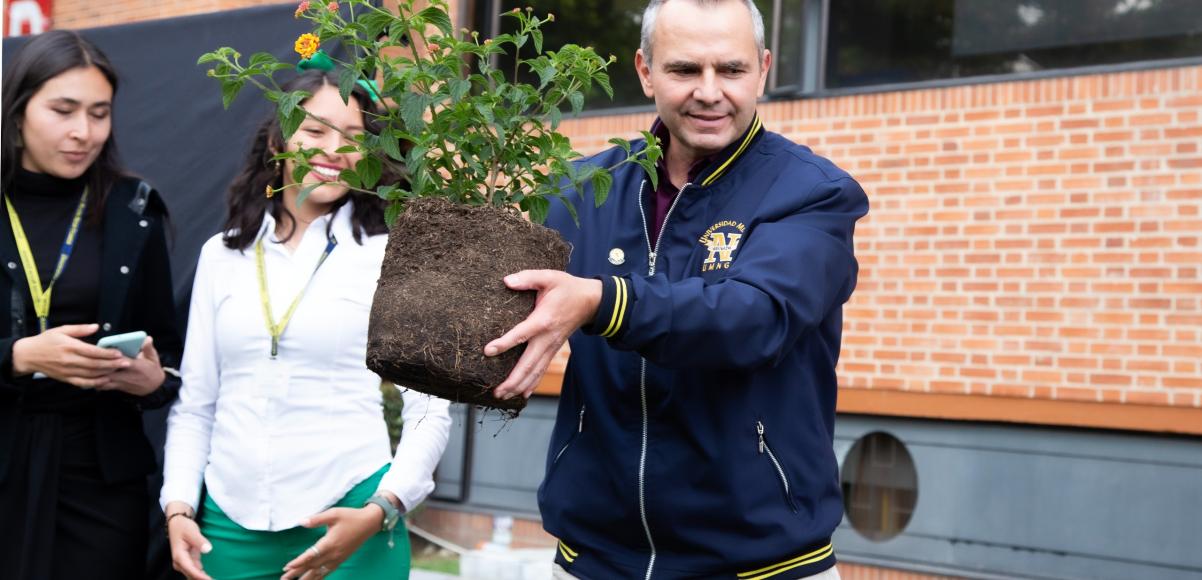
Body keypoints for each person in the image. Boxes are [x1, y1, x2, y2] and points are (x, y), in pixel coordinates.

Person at [485, 0, 870, 578]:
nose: (710, 92)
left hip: (760, 563)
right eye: (685, 69)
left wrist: (602, 300)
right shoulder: (582, 188)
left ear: (763, 69)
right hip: (595, 558)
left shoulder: (811, 194)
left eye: (732, 70)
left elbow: (754, 317)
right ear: (645, 71)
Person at [159, 69, 451, 580]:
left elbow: (428, 409)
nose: (334, 148)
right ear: (278, 138)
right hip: (227, 528)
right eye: (315, 130)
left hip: (356, 520)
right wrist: (179, 506)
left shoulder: (390, 254)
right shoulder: (221, 255)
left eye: (354, 138)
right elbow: (197, 405)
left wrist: (383, 508)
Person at [0, 30, 185, 580]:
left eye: (99, 113)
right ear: (17, 111)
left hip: (102, 479)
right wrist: (20, 357)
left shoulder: (134, 209)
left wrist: (151, 382)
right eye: (63, 110)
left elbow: (170, 355)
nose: (84, 132)